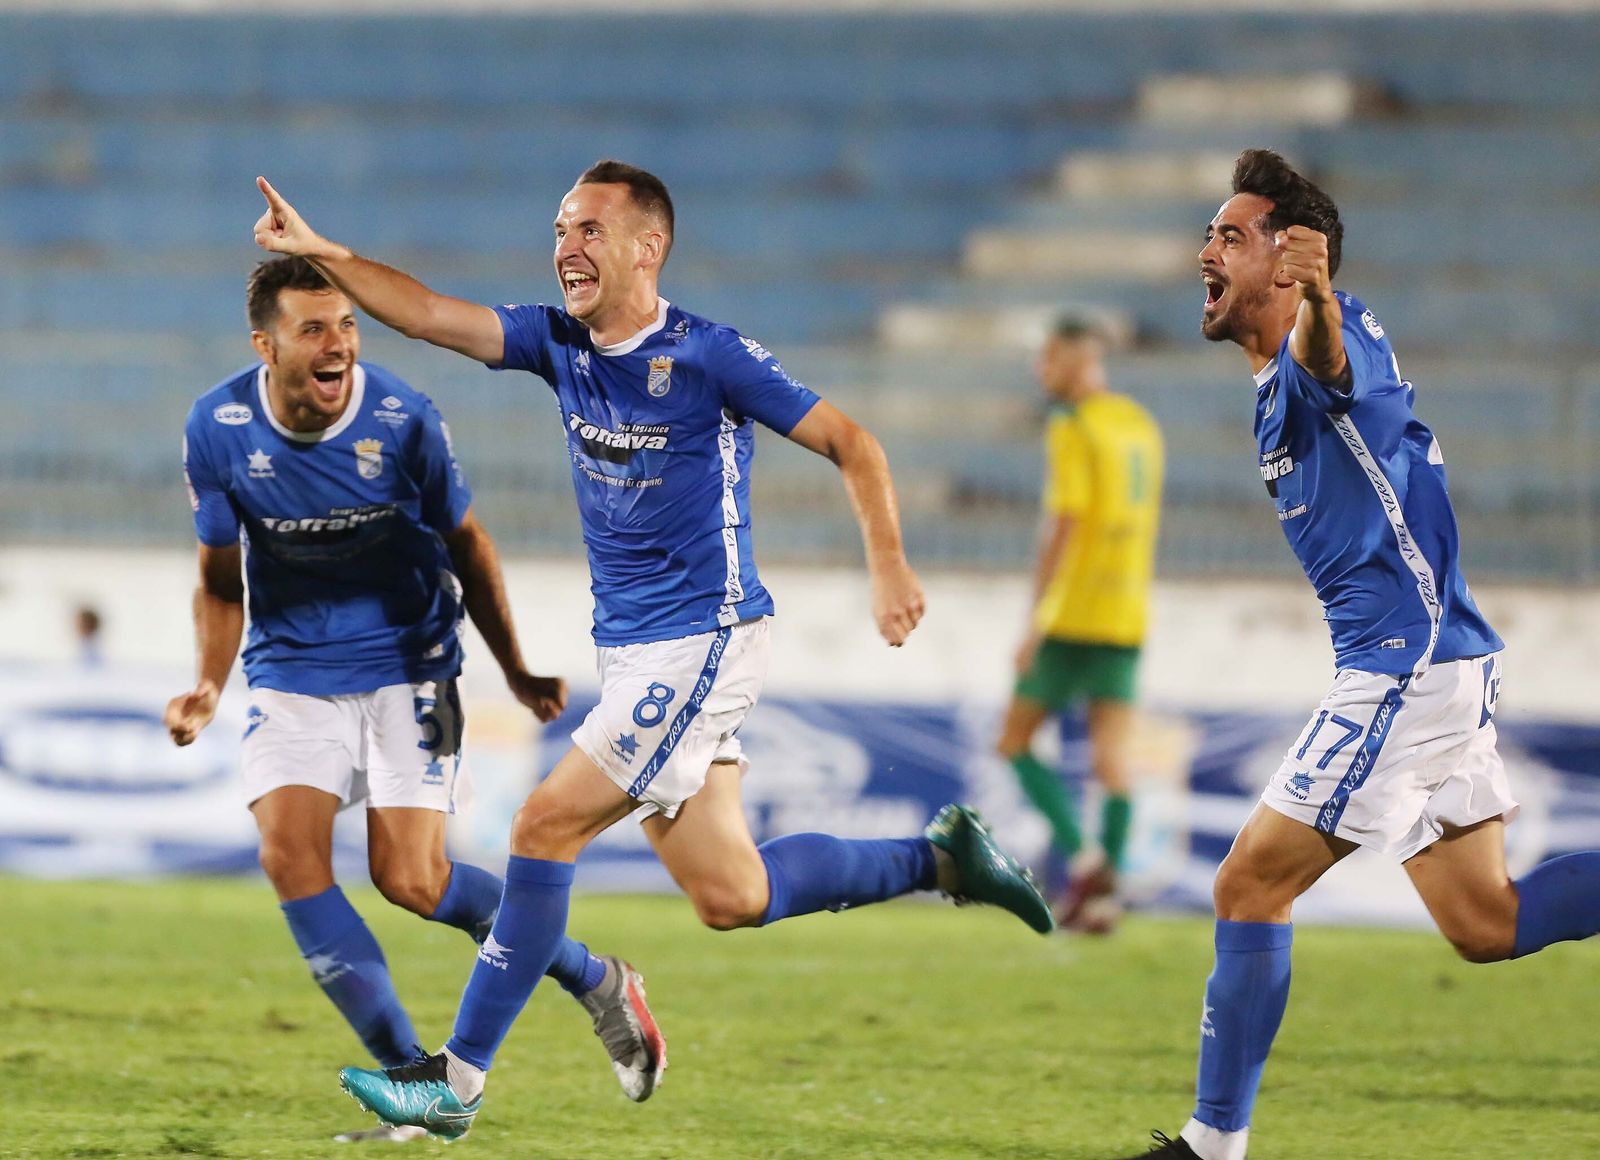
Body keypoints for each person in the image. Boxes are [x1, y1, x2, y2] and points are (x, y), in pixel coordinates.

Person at [249, 159, 1054, 1140]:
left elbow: (855, 442)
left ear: (646, 245)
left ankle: (453, 1081)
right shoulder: (557, 343)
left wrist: (886, 562)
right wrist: (325, 251)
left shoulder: (710, 357)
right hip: (638, 654)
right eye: (558, 227)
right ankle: (941, 861)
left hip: (704, 639)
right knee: (732, 891)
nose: (565, 247)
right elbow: (423, 313)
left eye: (588, 228)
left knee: (543, 826)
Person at [1114, 149, 1600, 1160]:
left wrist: (1320, 301)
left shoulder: (1327, 334)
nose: (1204, 248)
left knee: (1248, 882)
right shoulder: (1267, 382)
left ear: (1290, 263)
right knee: (1485, 922)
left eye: (1230, 235)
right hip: (1437, 664)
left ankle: (1211, 1144)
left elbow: (1328, 359)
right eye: (1208, 230)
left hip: (1403, 667)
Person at [165, 256, 668, 1143]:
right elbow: (218, 579)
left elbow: (468, 546)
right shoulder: (216, 427)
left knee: (413, 880)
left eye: (347, 325)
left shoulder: (401, 419)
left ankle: (595, 978)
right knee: (291, 859)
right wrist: (208, 681)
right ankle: (416, 1086)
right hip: (291, 671)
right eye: (314, 329)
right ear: (266, 344)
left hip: (412, 664)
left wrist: (513, 666)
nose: (338, 344)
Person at [997, 315, 1163, 932]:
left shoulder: (1072, 424)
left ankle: (1088, 859)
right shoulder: (1139, 425)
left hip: (1072, 614)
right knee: (1113, 764)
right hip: (1126, 615)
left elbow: (1064, 523)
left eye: (1047, 358)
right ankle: (1103, 901)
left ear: (1073, 359)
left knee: (1013, 740)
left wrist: (1035, 620)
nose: (1041, 371)